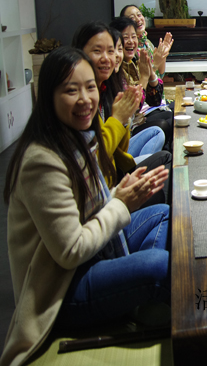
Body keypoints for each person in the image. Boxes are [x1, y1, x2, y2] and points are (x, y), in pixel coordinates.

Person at [1, 47, 170, 366]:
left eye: (90, 87)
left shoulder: (78, 137)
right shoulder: (41, 160)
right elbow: (71, 250)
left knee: (162, 214)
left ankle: (136, 298)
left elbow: (92, 205)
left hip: (98, 253)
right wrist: (120, 203)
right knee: (159, 265)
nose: (85, 99)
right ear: (48, 96)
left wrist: (119, 192)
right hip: (61, 290)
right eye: (71, 90)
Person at [72, 22, 172, 206]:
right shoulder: (84, 100)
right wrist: (119, 119)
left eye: (112, 50)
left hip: (112, 167)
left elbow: (154, 98)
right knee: (164, 130)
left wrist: (153, 68)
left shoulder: (110, 82)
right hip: (99, 190)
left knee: (164, 130)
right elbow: (92, 158)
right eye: (98, 51)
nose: (111, 57)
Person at [110, 17, 173, 151]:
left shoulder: (134, 60)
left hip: (138, 119)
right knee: (164, 125)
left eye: (133, 36)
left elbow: (155, 99)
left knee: (173, 116)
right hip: (130, 128)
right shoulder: (114, 72)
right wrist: (148, 73)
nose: (131, 41)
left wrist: (152, 69)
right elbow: (132, 108)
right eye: (125, 37)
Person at [120, 4, 173, 78]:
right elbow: (140, 80)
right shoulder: (129, 48)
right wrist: (155, 64)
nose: (138, 19)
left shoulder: (148, 43)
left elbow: (160, 74)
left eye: (139, 15)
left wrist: (162, 54)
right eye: (132, 18)